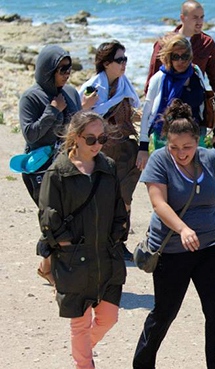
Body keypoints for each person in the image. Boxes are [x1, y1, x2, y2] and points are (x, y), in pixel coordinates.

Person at [132, 99, 215, 369]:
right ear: (166, 143)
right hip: (172, 248)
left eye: (187, 147)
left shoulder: (212, 160)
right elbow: (159, 203)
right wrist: (183, 229)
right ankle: (143, 363)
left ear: (197, 142)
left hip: (210, 245)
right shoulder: (160, 161)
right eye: (175, 147)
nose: (181, 154)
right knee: (165, 311)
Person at [38, 111, 128, 369]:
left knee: (108, 318)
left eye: (102, 138)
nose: (98, 144)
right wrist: (67, 245)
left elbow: (118, 207)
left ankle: (81, 352)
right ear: (75, 137)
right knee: (79, 323)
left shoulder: (108, 167)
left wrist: (118, 234)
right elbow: (49, 217)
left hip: (106, 258)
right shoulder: (58, 172)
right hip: (73, 261)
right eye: (91, 138)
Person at [18, 45, 82, 286]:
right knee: (54, 219)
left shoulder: (72, 93)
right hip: (40, 170)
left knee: (70, 218)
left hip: (69, 166)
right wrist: (52, 110)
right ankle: (54, 270)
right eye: (62, 69)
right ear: (47, 71)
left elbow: (77, 126)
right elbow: (31, 134)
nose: (67, 73)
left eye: (70, 68)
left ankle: (46, 266)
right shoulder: (31, 97)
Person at [79, 40, 141, 260]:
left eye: (125, 59)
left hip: (126, 149)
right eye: (119, 60)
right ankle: (100, 243)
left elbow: (135, 110)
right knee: (101, 199)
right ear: (105, 63)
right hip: (102, 152)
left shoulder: (125, 85)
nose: (124, 64)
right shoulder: (93, 88)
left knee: (125, 198)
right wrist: (86, 108)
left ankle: (119, 242)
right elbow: (79, 119)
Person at [144, 0, 215, 136]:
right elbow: (153, 78)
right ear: (183, 18)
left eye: (202, 17)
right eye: (195, 17)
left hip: (195, 111)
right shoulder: (165, 43)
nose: (199, 21)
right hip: (168, 113)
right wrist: (149, 115)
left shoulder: (207, 43)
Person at [138, 33, 215, 170]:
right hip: (166, 140)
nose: (181, 61)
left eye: (185, 56)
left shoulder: (196, 73)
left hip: (195, 137)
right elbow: (147, 112)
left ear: (190, 56)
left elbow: (208, 103)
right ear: (169, 58)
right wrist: (143, 147)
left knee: (196, 179)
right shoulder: (159, 79)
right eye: (176, 57)